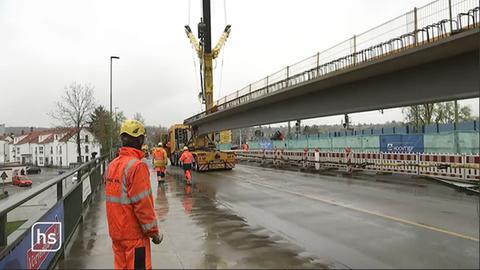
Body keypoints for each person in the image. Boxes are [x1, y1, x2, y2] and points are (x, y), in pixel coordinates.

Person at [104, 119, 162, 270]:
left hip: (116, 234)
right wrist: (153, 232)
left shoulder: (112, 165)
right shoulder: (137, 166)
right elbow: (143, 205)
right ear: (140, 139)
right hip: (134, 236)